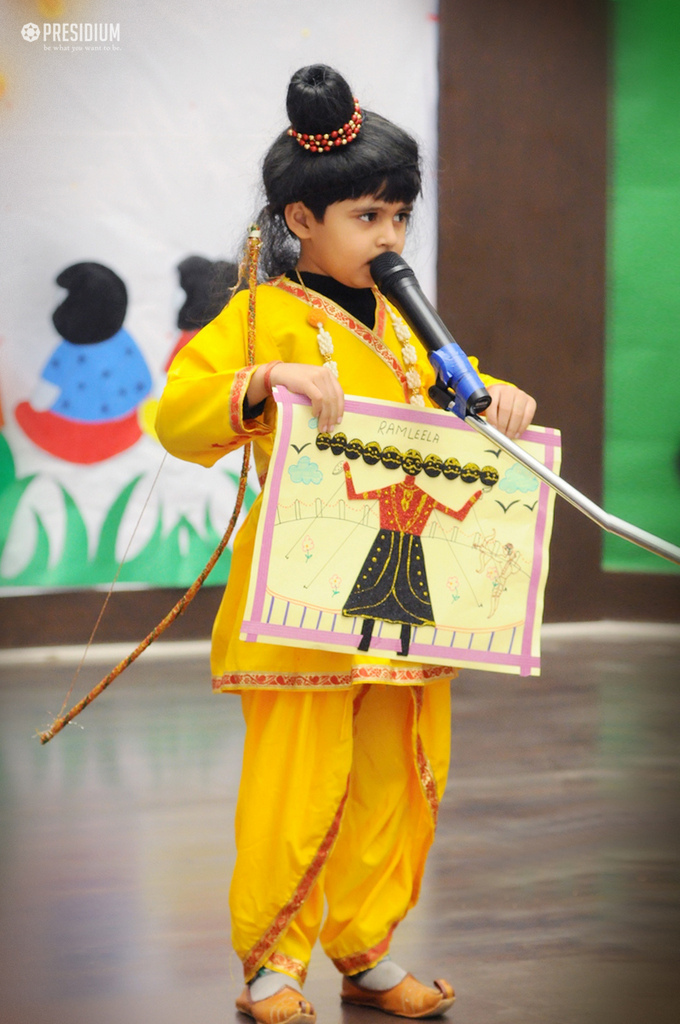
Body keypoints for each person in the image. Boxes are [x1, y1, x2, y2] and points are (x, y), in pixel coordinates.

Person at [156, 65, 536, 1024]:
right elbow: (177, 415)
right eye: (368, 217)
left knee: (400, 780)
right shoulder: (257, 316)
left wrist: (506, 401)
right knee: (298, 781)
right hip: (302, 602)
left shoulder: (417, 329)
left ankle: (365, 950)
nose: (391, 238)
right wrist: (264, 378)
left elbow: (467, 400)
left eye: (401, 217)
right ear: (301, 219)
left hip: (406, 609)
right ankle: (273, 965)